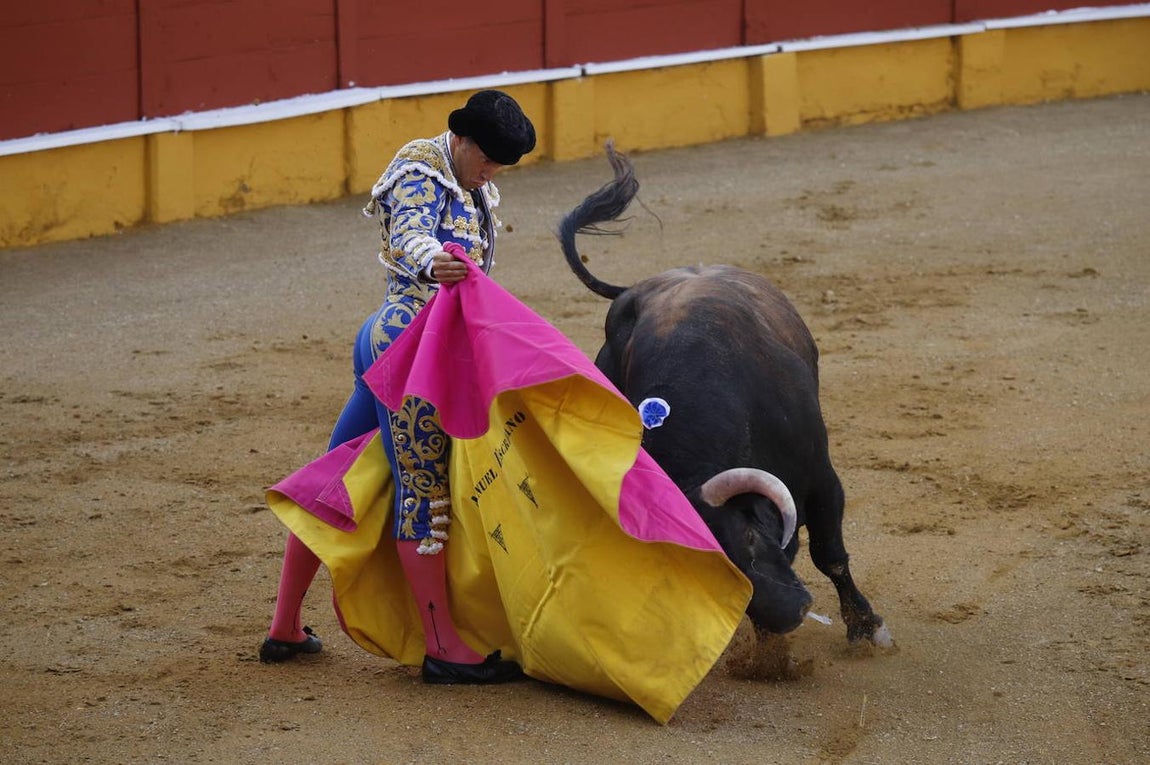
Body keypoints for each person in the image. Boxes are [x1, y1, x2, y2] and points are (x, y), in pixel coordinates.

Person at [259, 90, 536, 684]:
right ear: (461, 139)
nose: (491, 173)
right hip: (408, 350)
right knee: (424, 490)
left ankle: (284, 626)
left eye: (498, 166)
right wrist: (435, 260)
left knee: (332, 477)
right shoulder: (419, 168)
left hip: (412, 345)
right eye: (486, 159)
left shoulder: (475, 186)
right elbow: (412, 233)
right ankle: (442, 647)